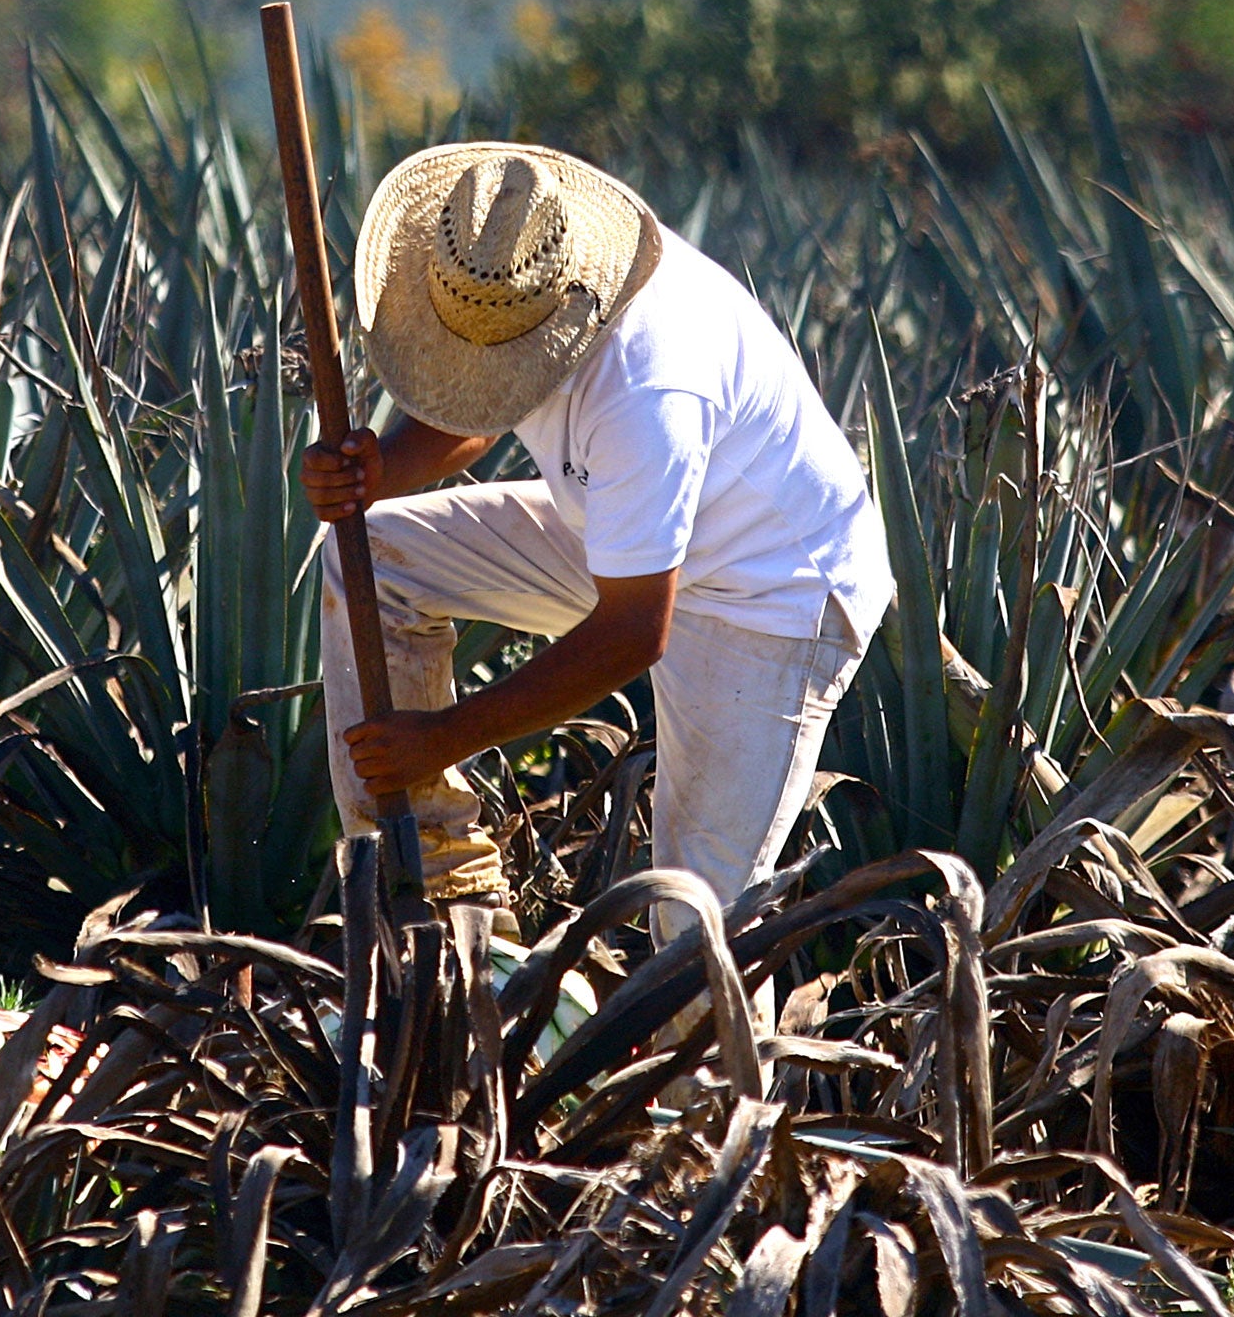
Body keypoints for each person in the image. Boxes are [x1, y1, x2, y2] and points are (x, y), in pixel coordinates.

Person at [302, 143, 892, 941]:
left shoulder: (649, 388)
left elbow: (632, 634)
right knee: (370, 556)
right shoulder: (511, 276)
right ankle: (443, 889)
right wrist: (375, 472)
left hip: (770, 597)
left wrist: (443, 737)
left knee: (690, 936)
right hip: (626, 538)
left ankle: (705, 1067)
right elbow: (473, 395)